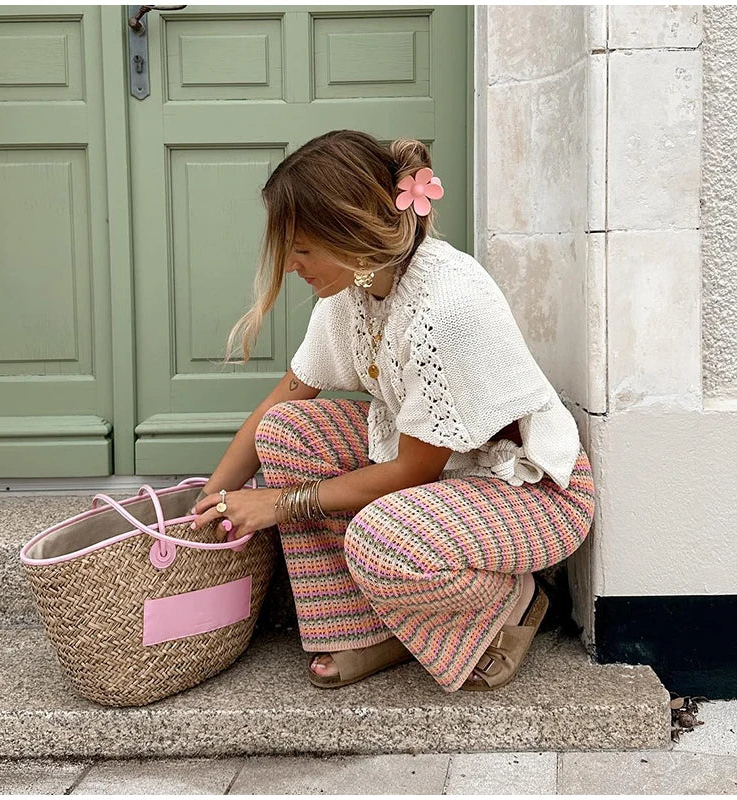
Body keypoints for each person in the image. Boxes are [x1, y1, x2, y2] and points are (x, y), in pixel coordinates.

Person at [188, 129, 595, 692]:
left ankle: (513, 600)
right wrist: (204, 506)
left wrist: (276, 504)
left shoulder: (442, 307)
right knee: (286, 433)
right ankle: (360, 628)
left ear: (351, 237)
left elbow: (411, 473)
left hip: (531, 490)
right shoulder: (356, 286)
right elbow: (285, 399)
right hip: (445, 469)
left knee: (381, 541)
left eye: (302, 250)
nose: (288, 267)